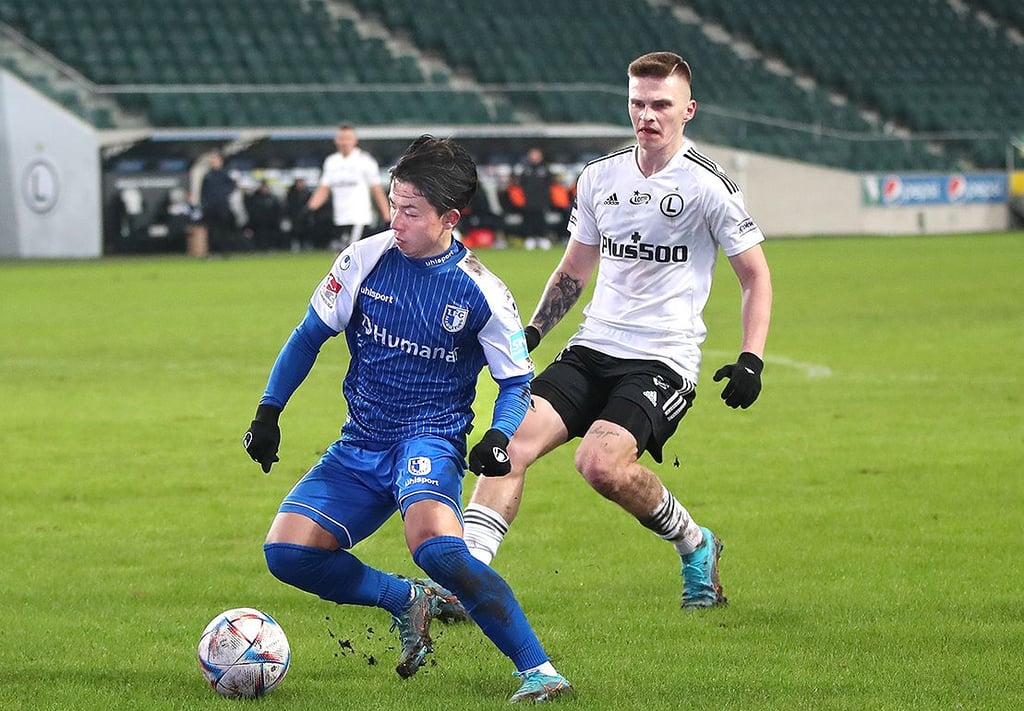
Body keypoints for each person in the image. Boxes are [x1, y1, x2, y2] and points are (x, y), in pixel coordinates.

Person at [242, 135, 572, 703]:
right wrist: (269, 411)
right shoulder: (363, 260)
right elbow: (308, 336)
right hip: (360, 441)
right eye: (393, 204)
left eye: (411, 211)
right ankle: (404, 600)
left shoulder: (482, 291)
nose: (396, 219)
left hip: (429, 438)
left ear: (449, 218)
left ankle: (538, 670)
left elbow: (516, 380)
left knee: (438, 549)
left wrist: (498, 434)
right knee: (287, 553)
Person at [462, 51, 773, 609]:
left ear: (688, 111)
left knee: (600, 465)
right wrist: (534, 330)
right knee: (505, 444)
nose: (647, 115)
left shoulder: (710, 186)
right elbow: (574, 269)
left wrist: (752, 358)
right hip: (592, 346)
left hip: (662, 360)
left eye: (660, 105)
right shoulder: (599, 177)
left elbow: (755, 276)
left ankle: (696, 545)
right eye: (637, 103)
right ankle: (463, 585)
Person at [305, 123, 391, 251]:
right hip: (339, 218)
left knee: (351, 255)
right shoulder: (331, 162)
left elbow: (376, 190)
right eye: (341, 138)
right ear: (336, 140)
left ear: (355, 140)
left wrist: (387, 216)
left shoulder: (365, 160)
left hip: (358, 218)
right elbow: (323, 189)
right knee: (339, 257)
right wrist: (310, 209)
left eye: (348, 139)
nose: (344, 142)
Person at [199, 152, 239, 255]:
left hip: (222, 206)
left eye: (216, 160)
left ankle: (225, 252)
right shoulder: (208, 175)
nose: (213, 162)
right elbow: (203, 191)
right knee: (211, 231)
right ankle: (211, 252)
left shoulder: (225, 174)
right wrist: (204, 203)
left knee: (224, 230)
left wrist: (223, 195)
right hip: (210, 207)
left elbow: (232, 186)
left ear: (221, 161)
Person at [517, 147, 554, 250]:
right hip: (528, 200)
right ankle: (530, 238)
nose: (534, 157)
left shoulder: (545, 169)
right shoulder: (526, 170)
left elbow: (550, 184)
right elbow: (521, 185)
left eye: (536, 155)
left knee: (541, 219)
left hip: (542, 200)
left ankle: (542, 238)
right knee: (529, 220)